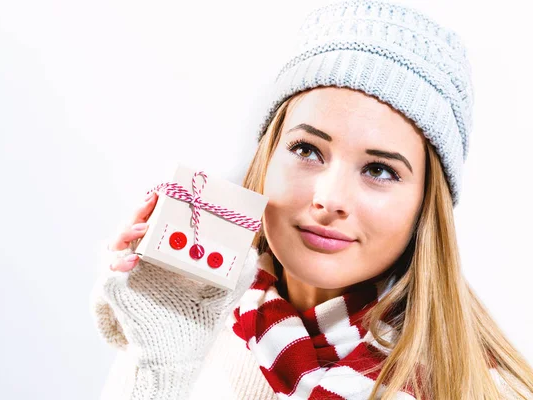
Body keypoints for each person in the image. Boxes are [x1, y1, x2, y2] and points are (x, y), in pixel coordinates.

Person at [90, 1, 533, 399]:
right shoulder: (182, 318)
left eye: (379, 170)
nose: (330, 199)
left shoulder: (476, 388)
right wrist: (164, 364)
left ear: (424, 208)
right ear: (267, 155)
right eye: (307, 150)